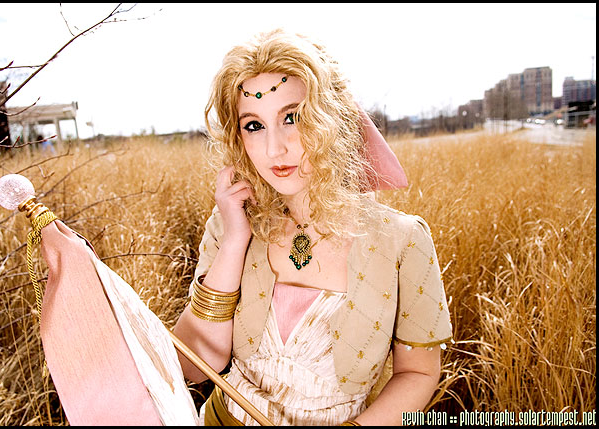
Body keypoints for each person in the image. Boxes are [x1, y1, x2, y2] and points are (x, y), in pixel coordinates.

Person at [173, 29, 452, 426]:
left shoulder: (400, 240)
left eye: (293, 118)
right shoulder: (228, 224)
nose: (275, 148)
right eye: (254, 125)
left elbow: (418, 373)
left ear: (331, 117)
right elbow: (194, 364)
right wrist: (236, 240)